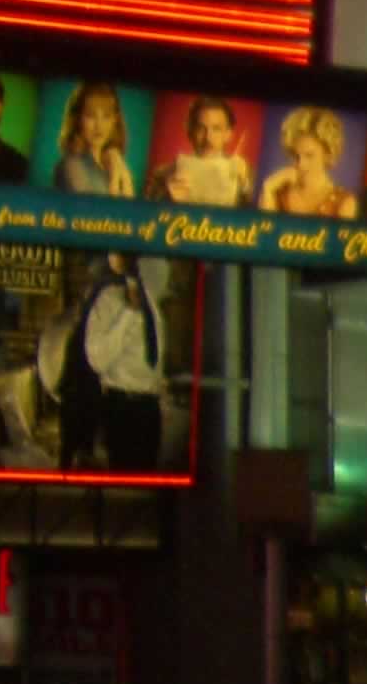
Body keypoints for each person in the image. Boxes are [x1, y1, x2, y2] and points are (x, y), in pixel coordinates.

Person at [52, 252, 166, 474]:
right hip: (120, 405)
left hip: (150, 409)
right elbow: (97, 358)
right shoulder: (107, 300)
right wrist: (129, 313)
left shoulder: (152, 305)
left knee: (145, 487)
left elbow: (154, 355)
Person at [152, 96, 254, 205]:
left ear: (228, 135)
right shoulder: (162, 175)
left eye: (216, 129)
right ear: (190, 132)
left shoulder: (248, 175)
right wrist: (166, 199)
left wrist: (245, 185)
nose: (208, 137)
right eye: (201, 128)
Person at [260, 104, 351, 216]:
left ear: (328, 155)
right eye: (296, 155)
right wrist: (268, 188)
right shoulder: (277, 192)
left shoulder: (344, 203)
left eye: (309, 155)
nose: (301, 164)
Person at [52, 82, 134, 195]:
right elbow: (93, 210)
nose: (99, 126)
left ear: (115, 120)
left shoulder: (112, 162)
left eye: (106, 116)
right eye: (90, 116)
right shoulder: (72, 166)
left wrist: (118, 166)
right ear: (78, 119)